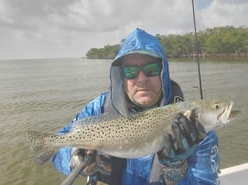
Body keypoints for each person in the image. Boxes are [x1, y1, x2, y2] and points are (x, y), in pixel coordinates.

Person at [51, 28, 220, 185]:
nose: (141, 79)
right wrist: (74, 158)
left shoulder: (194, 126)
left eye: (151, 69)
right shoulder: (99, 108)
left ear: (163, 71)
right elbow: (56, 144)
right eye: (130, 72)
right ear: (121, 77)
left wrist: (176, 170)